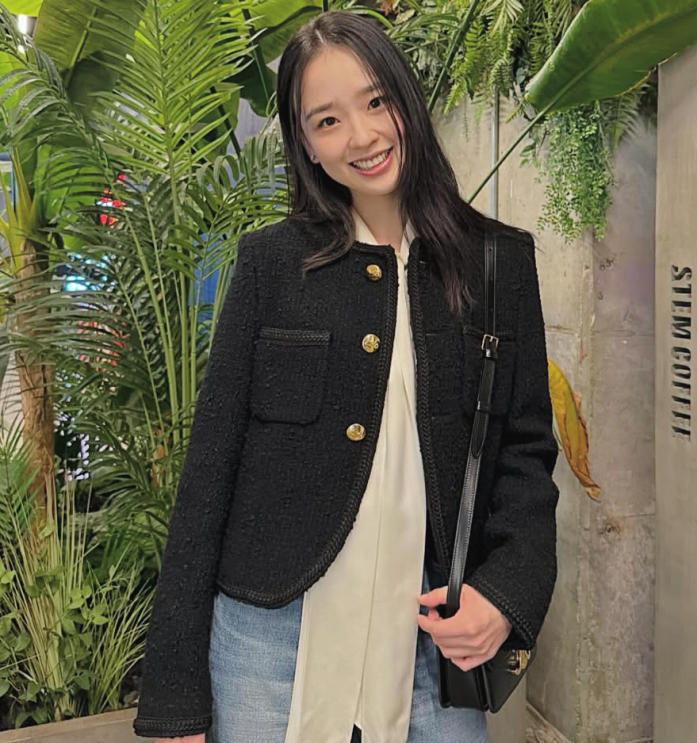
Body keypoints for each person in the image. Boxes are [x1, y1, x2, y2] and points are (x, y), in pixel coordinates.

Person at [133, 10, 559, 743]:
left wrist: (506, 591)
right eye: (327, 120)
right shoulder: (272, 264)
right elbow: (209, 471)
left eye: (375, 101)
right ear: (305, 143)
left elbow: (524, 453)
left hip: (430, 641)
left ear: (405, 99)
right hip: (266, 643)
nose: (361, 137)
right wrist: (173, 694)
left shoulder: (497, 264)